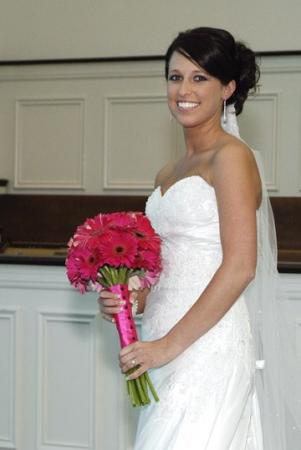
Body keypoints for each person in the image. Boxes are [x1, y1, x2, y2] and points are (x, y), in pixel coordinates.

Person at [99, 27, 301, 449]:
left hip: (207, 347)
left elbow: (242, 265)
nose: (184, 90)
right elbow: (170, 269)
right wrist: (132, 299)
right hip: (160, 339)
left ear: (227, 88)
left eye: (199, 77)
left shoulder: (231, 158)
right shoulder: (167, 173)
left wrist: (167, 347)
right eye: (175, 77)